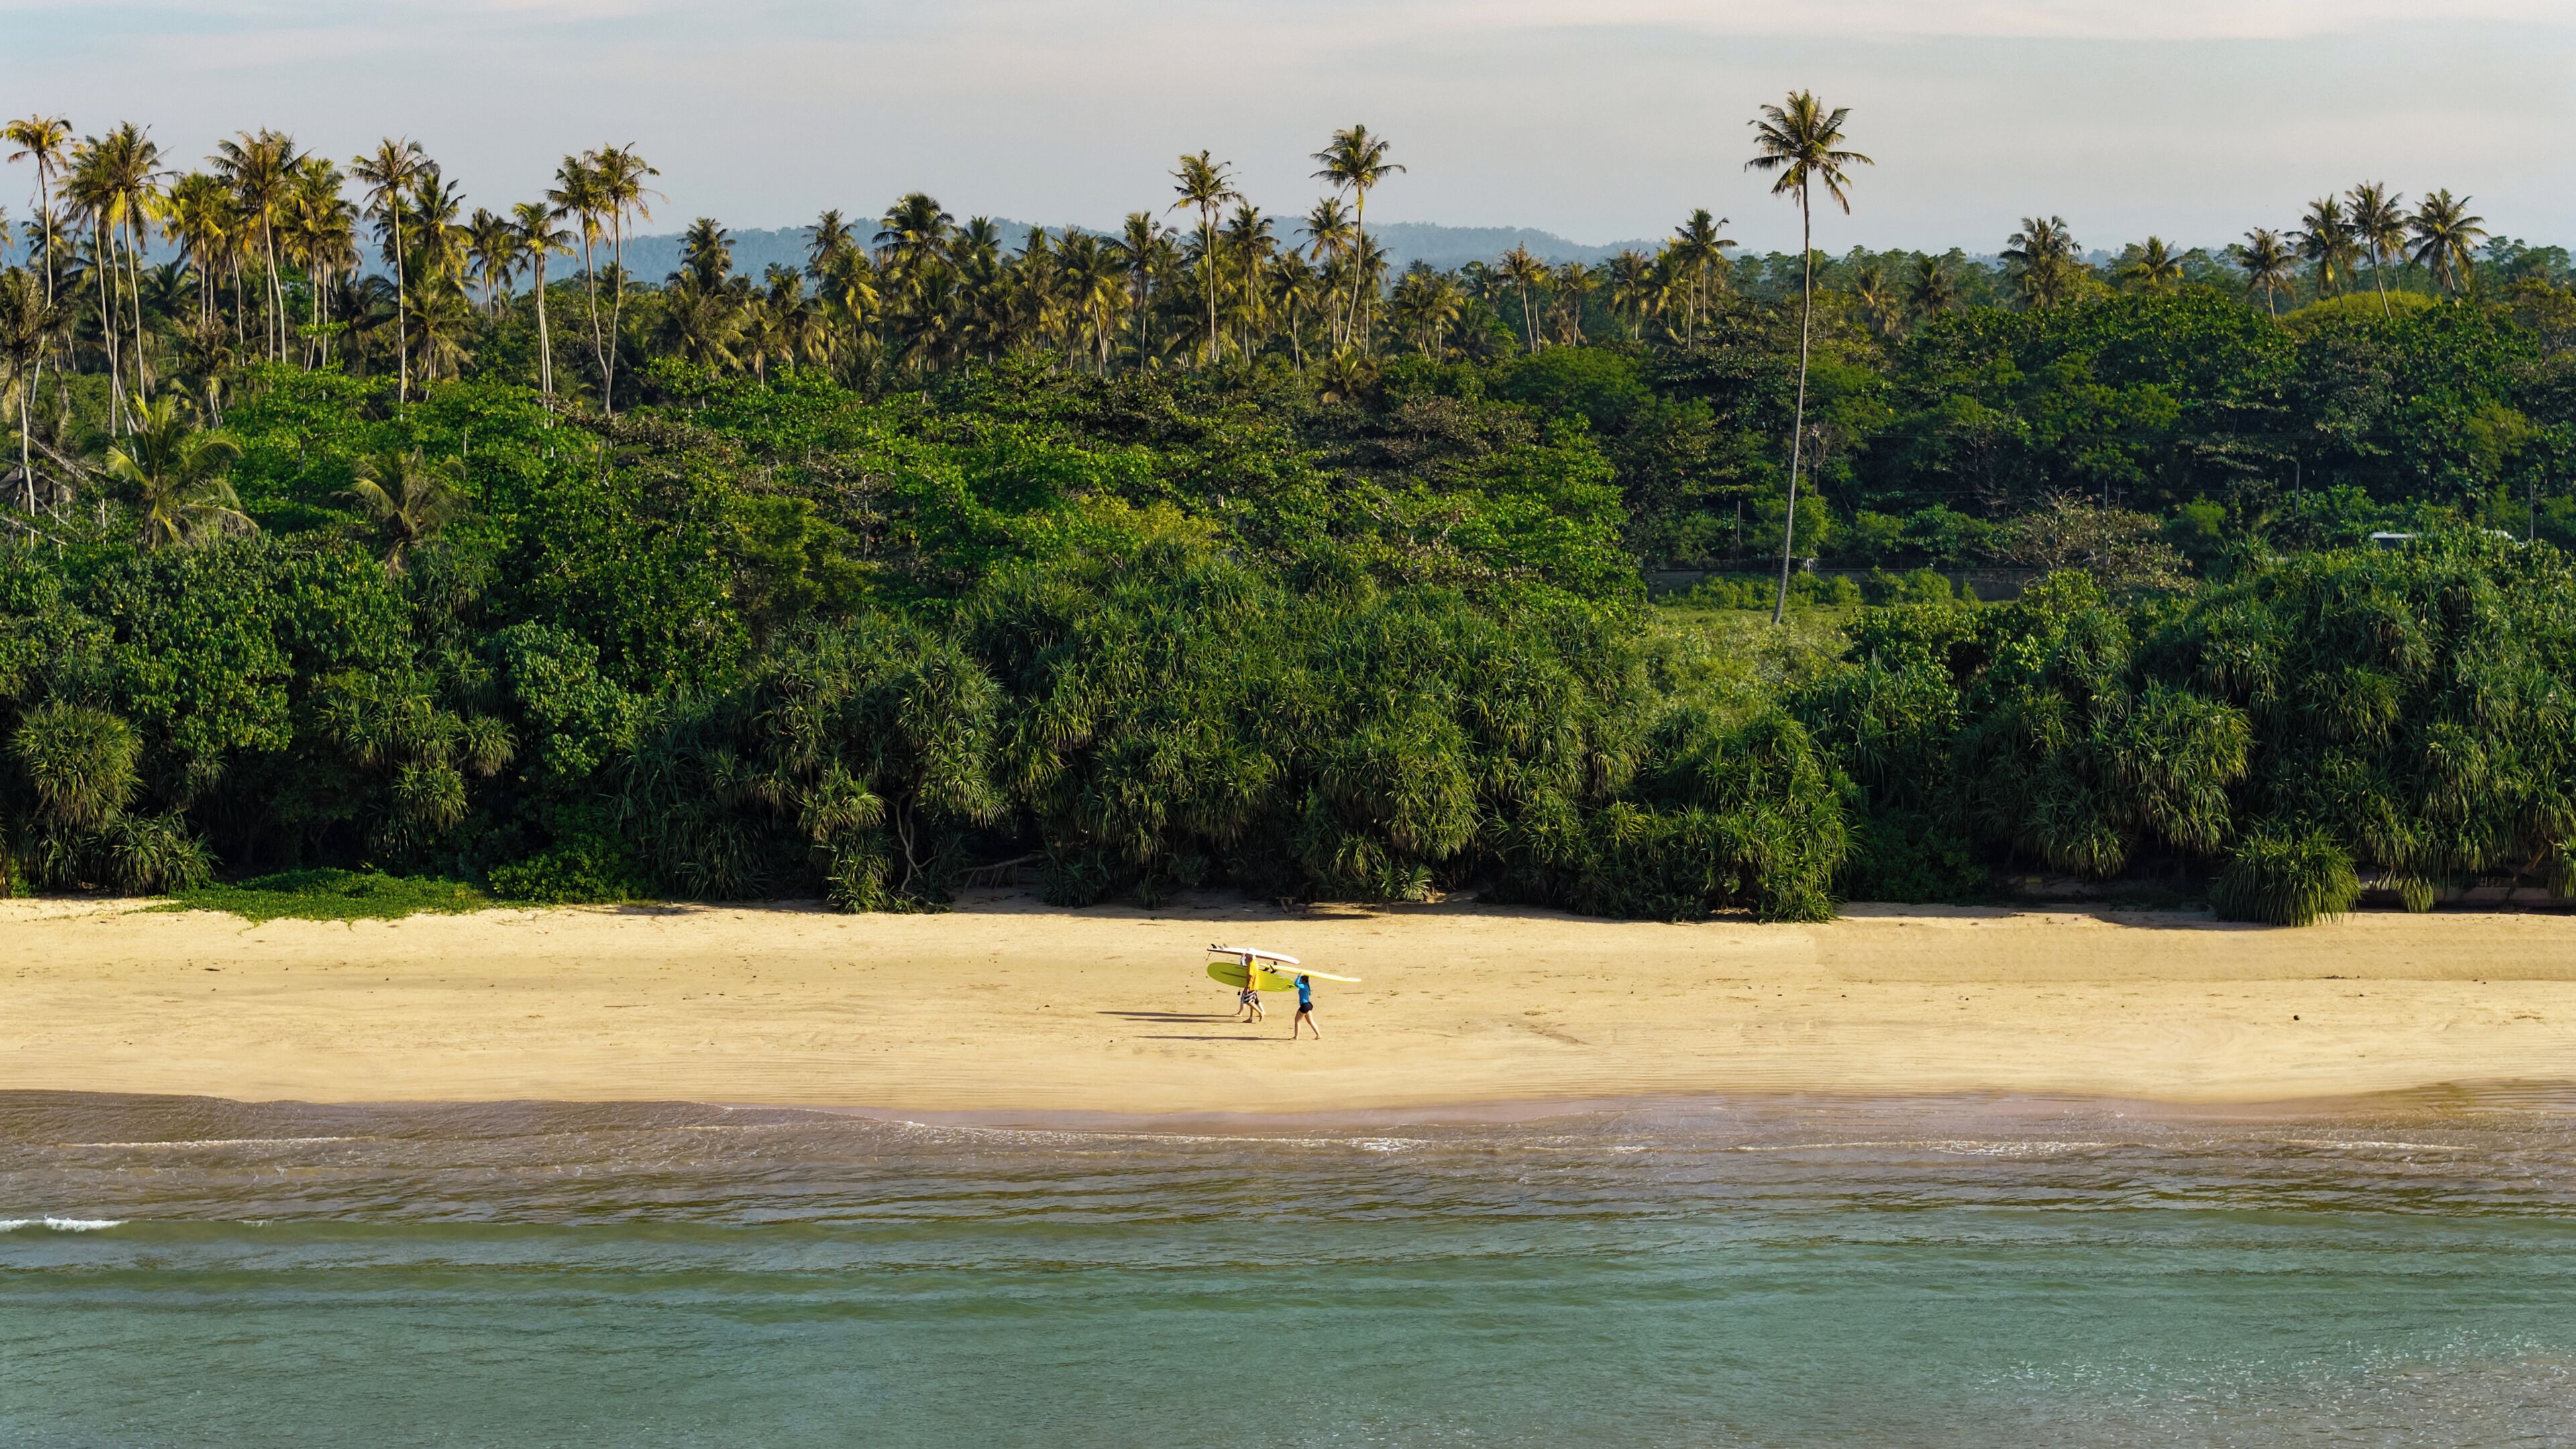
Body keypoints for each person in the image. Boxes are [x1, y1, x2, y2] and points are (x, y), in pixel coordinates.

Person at [1235, 956, 1265, 1024]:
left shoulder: (1251, 964)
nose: (1245, 958)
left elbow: (1250, 976)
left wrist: (1247, 987)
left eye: (1246, 956)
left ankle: (1260, 1012)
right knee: (1253, 1001)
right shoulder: (1255, 962)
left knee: (1247, 1001)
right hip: (1255, 985)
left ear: (1250, 957)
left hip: (1251, 985)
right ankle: (1251, 1018)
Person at [1290, 973, 1320, 1040]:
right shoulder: (1306, 986)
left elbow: (1296, 984)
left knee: (1297, 1021)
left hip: (1305, 1006)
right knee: (1310, 1021)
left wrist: (1299, 976)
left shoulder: (1303, 985)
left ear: (1303, 979)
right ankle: (1318, 1035)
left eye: (1301, 979)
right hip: (1308, 1005)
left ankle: (1296, 1037)